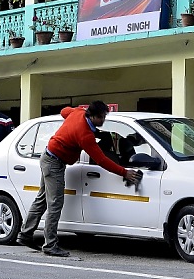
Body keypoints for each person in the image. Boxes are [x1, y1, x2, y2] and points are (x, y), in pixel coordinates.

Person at [16, 101, 142, 257]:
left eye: (104, 117)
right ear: (92, 116)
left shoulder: (78, 113)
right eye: (101, 117)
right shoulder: (85, 135)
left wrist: (76, 112)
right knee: (55, 203)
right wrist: (124, 172)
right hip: (54, 163)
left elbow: (63, 111)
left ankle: (25, 234)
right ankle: (50, 245)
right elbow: (101, 160)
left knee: (42, 199)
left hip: (49, 157)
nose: (103, 121)